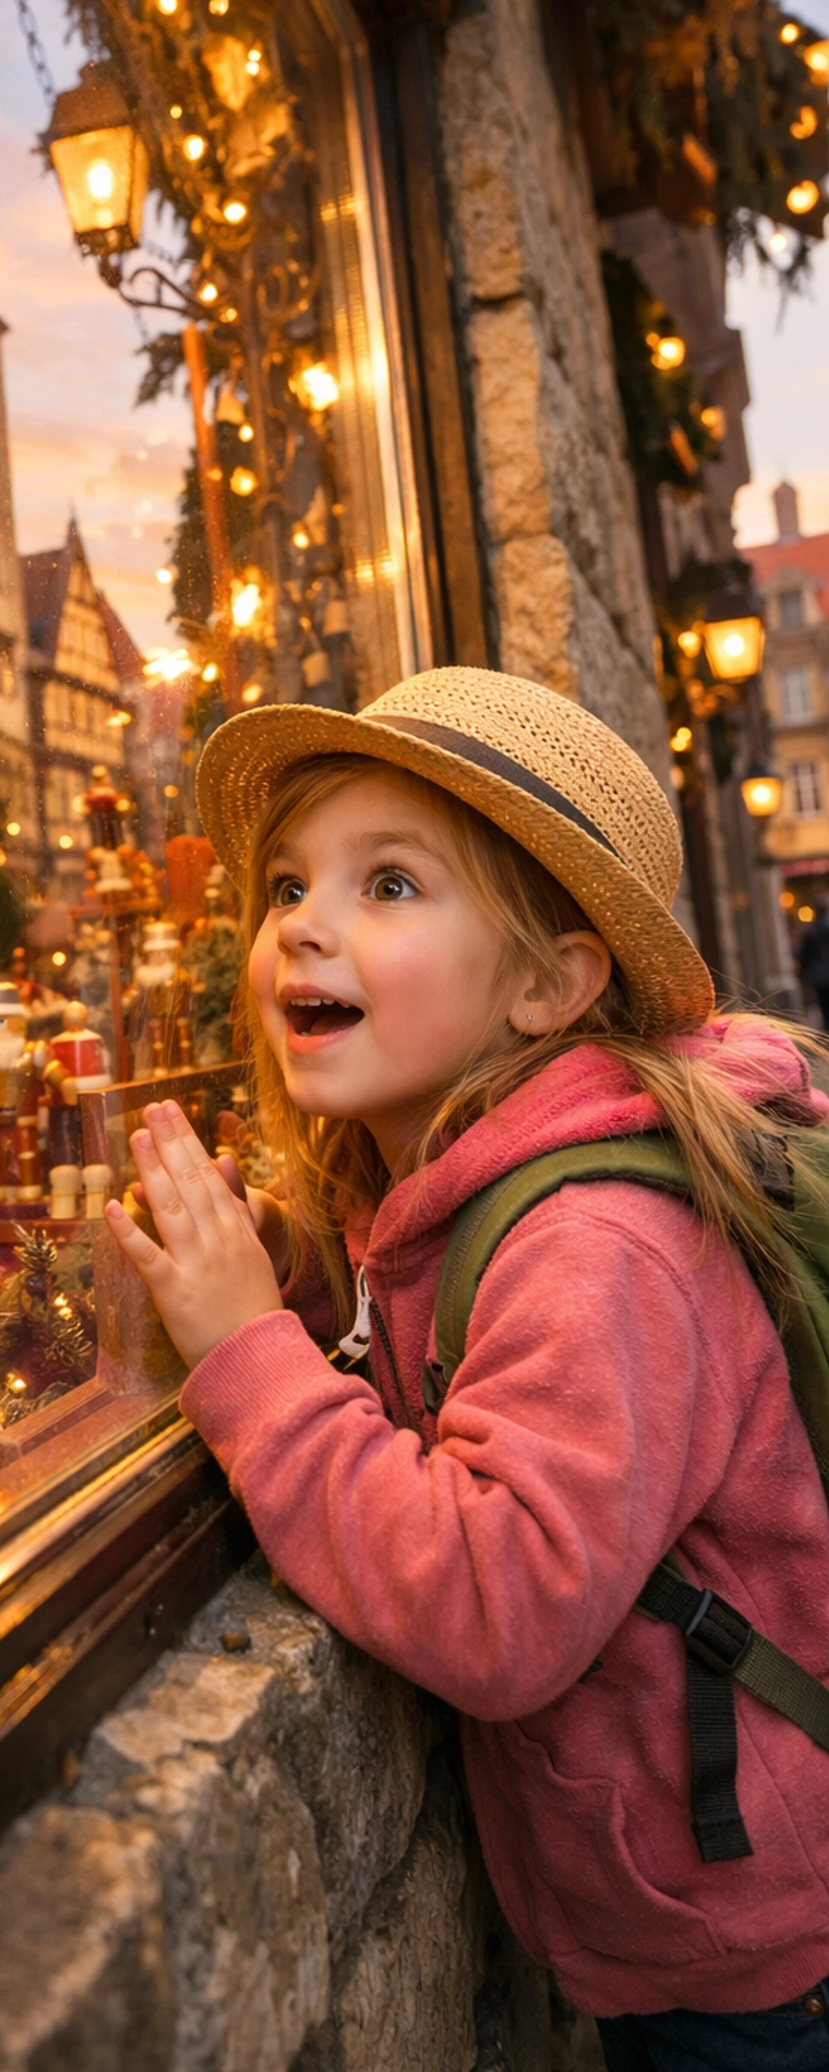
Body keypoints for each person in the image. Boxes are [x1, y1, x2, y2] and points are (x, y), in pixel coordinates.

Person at [106, 667, 829, 2067]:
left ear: (552, 984)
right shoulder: (449, 1184)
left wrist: (253, 1359)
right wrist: (291, 1278)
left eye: (389, 886)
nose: (304, 925)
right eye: (288, 886)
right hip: (677, 1920)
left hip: (758, 1967)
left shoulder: (603, 1246)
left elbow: (501, 1607)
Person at [797, 900, 829, 1033]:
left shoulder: (810, 930)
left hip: (818, 975)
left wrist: (804, 976)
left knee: (824, 1005)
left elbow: (804, 956)